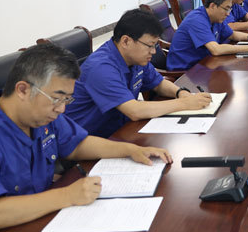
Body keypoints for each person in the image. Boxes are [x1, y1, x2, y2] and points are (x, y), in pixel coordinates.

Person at [0, 44, 172, 232]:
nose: (62, 109)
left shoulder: (40, 115)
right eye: (57, 98)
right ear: (23, 89)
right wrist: (67, 195)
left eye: (67, 99)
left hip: (28, 224)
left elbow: (77, 143)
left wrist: (129, 150)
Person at [65, 9, 212, 138]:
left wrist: (181, 93)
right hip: (87, 142)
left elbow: (158, 83)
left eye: (155, 46)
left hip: (121, 128)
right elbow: (134, 111)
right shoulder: (101, 67)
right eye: (150, 46)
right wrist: (184, 103)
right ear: (126, 41)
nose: (153, 52)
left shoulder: (135, 58)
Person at [167, 0, 248, 70]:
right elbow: (216, 49)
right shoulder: (197, 20)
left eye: (229, 9)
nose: (228, 14)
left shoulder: (215, 17)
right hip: (186, 71)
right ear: (213, 6)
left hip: (205, 63)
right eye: (226, 9)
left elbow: (232, 34)